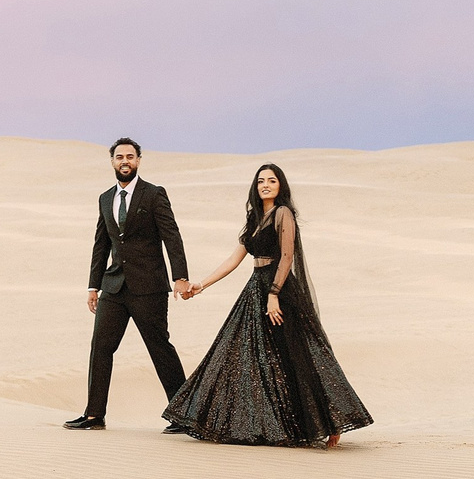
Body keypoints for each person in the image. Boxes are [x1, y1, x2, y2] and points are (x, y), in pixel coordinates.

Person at [164, 162, 371, 447]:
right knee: (248, 357)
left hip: (280, 290)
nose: (265, 185)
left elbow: (287, 257)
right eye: (261, 181)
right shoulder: (254, 219)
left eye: (271, 181)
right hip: (255, 289)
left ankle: (330, 423)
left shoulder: (283, 214)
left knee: (297, 355)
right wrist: (201, 285)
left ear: (280, 186)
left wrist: (274, 293)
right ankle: (273, 426)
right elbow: (233, 260)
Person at [68, 138, 193, 431]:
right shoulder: (104, 198)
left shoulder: (154, 194)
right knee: (100, 347)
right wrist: (93, 286)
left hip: (148, 287)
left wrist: (180, 277)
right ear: (112, 162)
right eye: (119, 156)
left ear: (138, 161)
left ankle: (183, 414)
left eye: (130, 156)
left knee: (159, 348)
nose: (125, 161)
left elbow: (171, 236)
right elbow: (101, 244)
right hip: (113, 288)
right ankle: (93, 415)